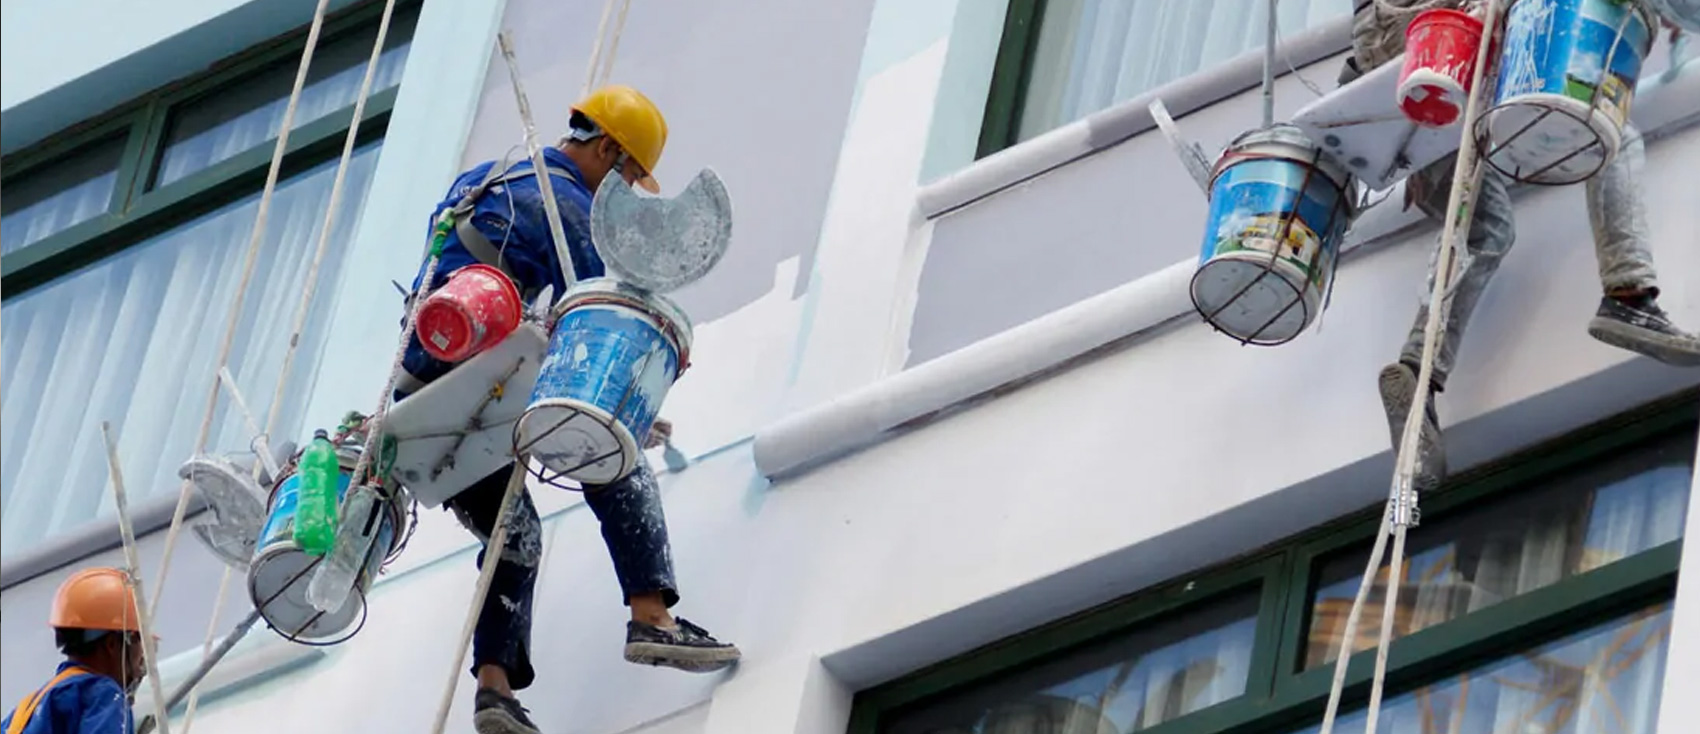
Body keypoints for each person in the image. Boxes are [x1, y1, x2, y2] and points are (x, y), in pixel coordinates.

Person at [392, 84, 739, 734]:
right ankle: (651, 616)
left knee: (514, 533)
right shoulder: (567, 206)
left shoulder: (491, 177)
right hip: (486, 373)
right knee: (609, 450)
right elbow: (599, 313)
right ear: (606, 147)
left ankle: (494, 691)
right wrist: (631, 408)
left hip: (424, 387)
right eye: (629, 175)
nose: (626, 195)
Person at [1340, 1, 1700, 491]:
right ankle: (1629, 297)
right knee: (1609, 131)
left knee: (1484, 228)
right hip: (1449, 31)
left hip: (1414, 71)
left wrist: (1399, 137)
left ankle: (1418, 372)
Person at [3, 568, 149, 734]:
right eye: (139, 639)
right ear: (112, 644)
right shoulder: (104, 696)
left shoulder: (27, 710)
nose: (142, 656)